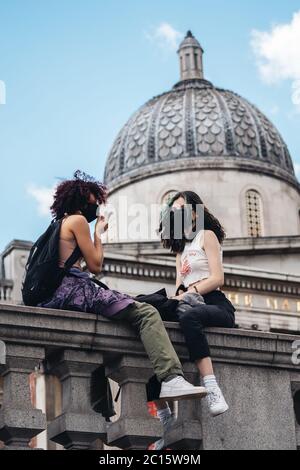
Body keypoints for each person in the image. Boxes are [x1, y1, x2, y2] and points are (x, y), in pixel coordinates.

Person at [37, 171, 208, 404]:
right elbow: (96, 265)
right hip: (74, 292)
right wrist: (98, 234)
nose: (95, 207)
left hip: (59, 294)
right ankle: (170, 379)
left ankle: (103, 406)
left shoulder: (59, 224)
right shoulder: (77, 221)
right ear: (82, 200)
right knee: (147, 312)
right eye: (92, 201)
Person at [150, 190, 236, 450]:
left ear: (195, 213)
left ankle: (212, 390)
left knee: (190, 317)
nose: (177, 213)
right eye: (173, 210)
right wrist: (180, 294)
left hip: (214, 304)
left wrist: (190, 292)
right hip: (189, 303)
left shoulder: (206, 237)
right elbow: (178, 288)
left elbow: (217, 278)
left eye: (182, 208)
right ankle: (165, 416)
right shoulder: (180, 251)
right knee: (151, 324)